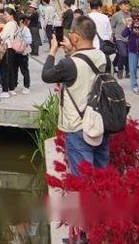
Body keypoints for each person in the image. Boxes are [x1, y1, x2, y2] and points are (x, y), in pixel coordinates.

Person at [42, 17, 110, 175]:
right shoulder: (103, 56)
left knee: (83, 180)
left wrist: (52, 50)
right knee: (103, 177)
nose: (70, 35)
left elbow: (46, 75)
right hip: (101, 123)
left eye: (71, 32)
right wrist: (72, 52)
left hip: (78, 128)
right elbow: (86, 66)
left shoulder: (69, 64)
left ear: (75, 37)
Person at [122, 8, 139, 95]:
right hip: (132, 50)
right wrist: (128, 27)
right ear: (132, 18)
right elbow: (123, 34)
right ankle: (134, 86)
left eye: (138, 18)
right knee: (132, 69)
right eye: (134, 19)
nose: (136, 20)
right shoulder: (131, 25)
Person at [0, 8, 18, 98]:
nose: (5, 16)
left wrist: (0, 31)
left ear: (11, 15)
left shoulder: (10, 24)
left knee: (5, 69)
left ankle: (5, 90)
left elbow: (2, 36)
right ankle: (11, 88)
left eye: (6, 14)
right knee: (10, 69)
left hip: (7, 48)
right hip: (11, 49)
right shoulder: (14, 23)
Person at [111, 0, 131, 79]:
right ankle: (120, 70)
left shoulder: (130, 14)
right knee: (123, 54)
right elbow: (112, 26)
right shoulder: (116, 15)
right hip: (119, 38)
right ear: (120, 6)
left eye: (128, 5)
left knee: (128, 56)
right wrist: (114, 35)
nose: (127, 7)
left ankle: (127, 72)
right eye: (125, 5)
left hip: (129, 39)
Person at [13, 15, 32, 94]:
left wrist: (22, 42)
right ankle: (14, 85)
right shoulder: (17, 28)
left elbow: (29, 40)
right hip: (15, 51)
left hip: (23, 52)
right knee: (14, 69)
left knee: (24, 70)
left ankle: (26, 86)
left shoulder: (26, 29)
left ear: (21, 21)